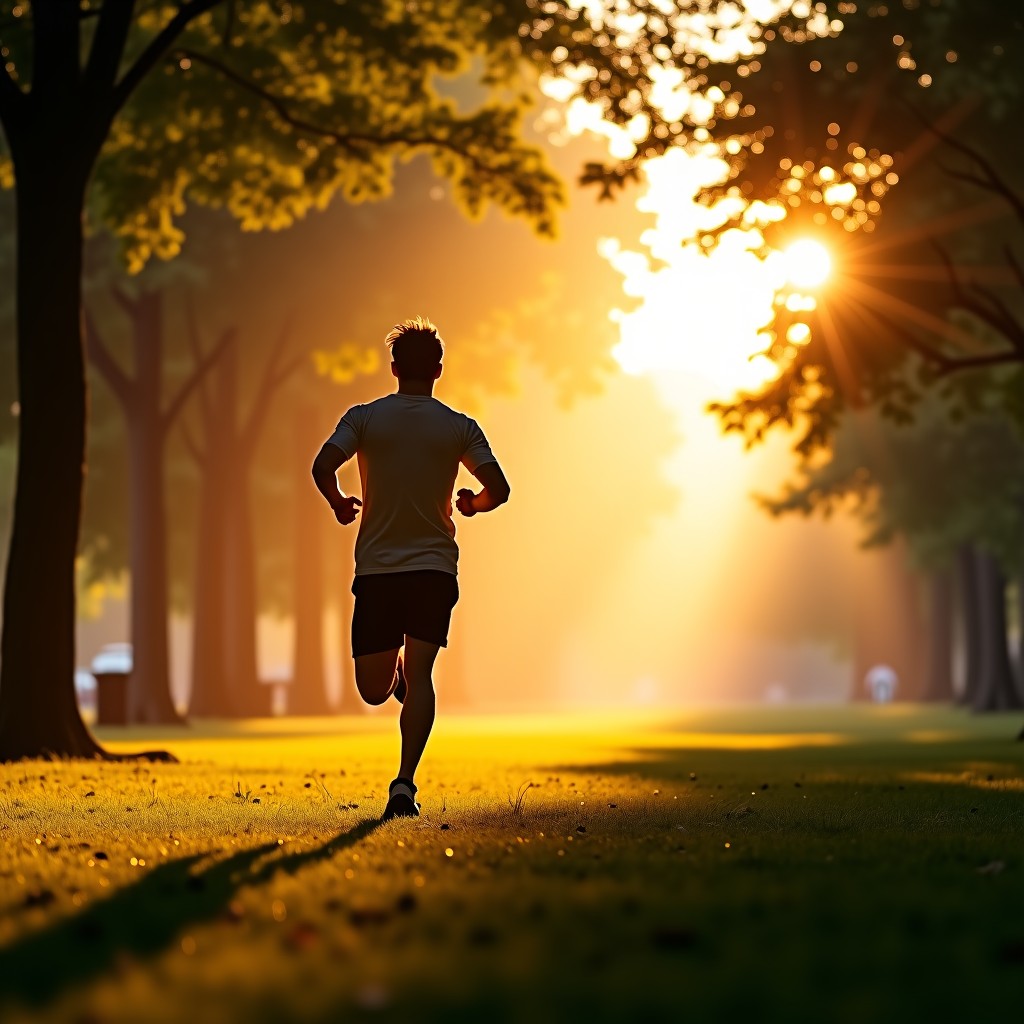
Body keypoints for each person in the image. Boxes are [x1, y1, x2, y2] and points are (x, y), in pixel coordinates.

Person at [311, 317, 510, 822]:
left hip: (408, 567)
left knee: (414, 675)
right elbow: (499, 488)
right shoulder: (460, 427)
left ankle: (404, 784)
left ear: (395, 368)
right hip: (412, 569)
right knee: (379, 688)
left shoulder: (362, 418)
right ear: (438, 369)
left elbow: (321, 465)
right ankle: (402, 686)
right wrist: (474, 503)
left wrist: (337, 502)